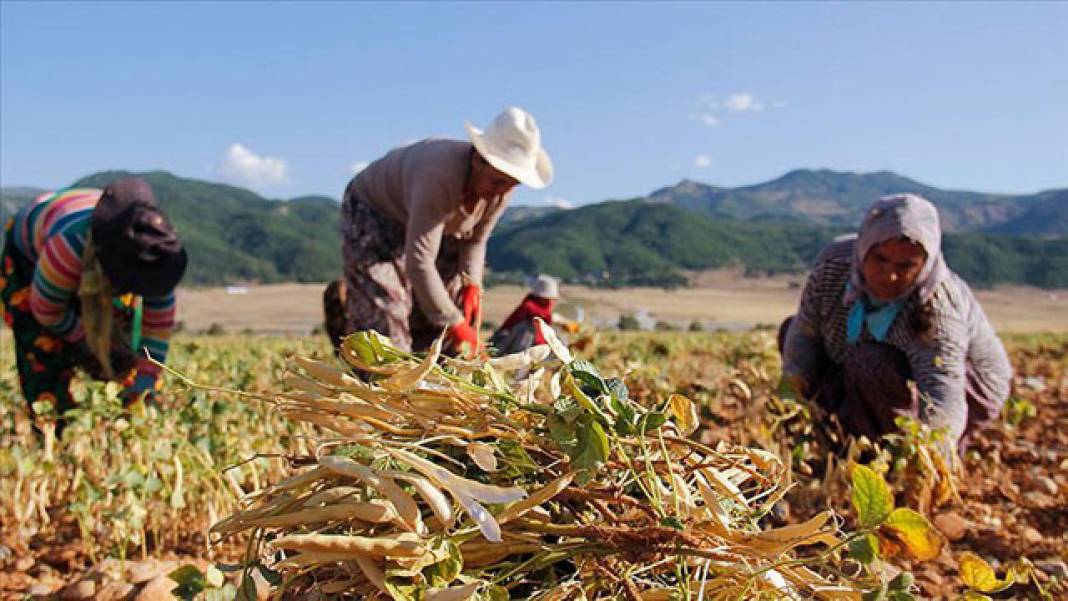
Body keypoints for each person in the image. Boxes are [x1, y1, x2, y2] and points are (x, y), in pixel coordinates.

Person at [779, 194, 1012, 455]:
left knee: (869, 362)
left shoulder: (937, 308)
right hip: (874, 366)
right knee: (791, 331)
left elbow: (942, 394)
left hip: (967, 385)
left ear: (925, 263)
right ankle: (843, 441)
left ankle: (886, 453)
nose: (889, 275)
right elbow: (804, 334)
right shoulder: (833, 266)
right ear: (864, 248)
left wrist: (929, 456)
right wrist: (792, 404)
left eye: (906, 266)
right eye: (880, 259)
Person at [324, 106, 553, 356]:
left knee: (445, 301)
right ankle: (372, 363)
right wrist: (453, 321)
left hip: (434, 225)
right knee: (387, 308)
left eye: (512, 185)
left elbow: (475, 242)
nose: (502, 191)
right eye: (497, 181)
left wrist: (472, 286)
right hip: (376, 212)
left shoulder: (500, 191)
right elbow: (419, 262)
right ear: (478, 160)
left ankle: (429, 372)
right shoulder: (439, 176)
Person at [1, 178, 187, 434]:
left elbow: (156, 329)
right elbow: (46, 311)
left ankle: (122, 416)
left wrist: (143, 386)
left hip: (98, 246)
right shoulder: (68, 246)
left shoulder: (158, 254)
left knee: (123, 337)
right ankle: (54, 430)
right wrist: (90, 344)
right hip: (31, 256)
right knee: (42, 347)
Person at [489, 274, 560, 355]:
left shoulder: (543, 312)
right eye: (548, 300)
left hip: (529, 345)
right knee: (527, 328)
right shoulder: (528, 307)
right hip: (510, 341)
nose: (551, 303)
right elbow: (540, 314)